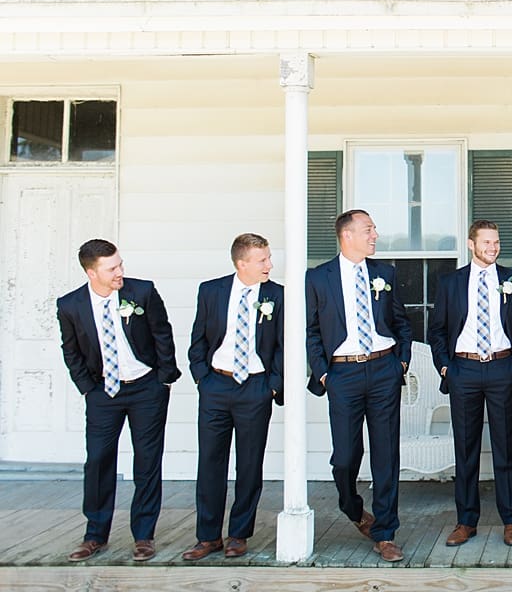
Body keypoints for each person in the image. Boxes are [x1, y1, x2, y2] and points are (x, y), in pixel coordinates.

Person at [57, 239, 180, 562]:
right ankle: (95, 534)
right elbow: (70, 351)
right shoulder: (70, 305)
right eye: (112, 268)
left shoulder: (142, 292)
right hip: (103, 392)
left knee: (147, 461)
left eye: (120, 264)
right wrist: (87, 388)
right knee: (98, 460)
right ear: (91, 272)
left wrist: (163, 379)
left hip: (146, 389)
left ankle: (143, 536)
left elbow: (162, 334)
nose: (120, 272)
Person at [306, 209, 412, 562]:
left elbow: (401, 320)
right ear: (347, 235)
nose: (375, 236)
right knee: (346, 456)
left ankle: (385, 532)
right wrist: (323, 373)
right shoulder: (318, 278)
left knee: (386, 454)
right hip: (343, 375)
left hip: (383, 368)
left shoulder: (385, 273)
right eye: (368, 230)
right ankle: (351, 505)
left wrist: (401, 361)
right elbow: (310, 332)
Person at [428, 219, 512, 548]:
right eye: (486, 242)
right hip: (464, 371)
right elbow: (437, 331)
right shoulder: (451, 283)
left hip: (503, 368)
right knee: (466, 449)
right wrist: (446, 368)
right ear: (472, 245)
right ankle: (466, 520)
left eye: (496, 242)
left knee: (506, 448)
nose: (493, 247)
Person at [182, 233, 284, 560]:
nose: (269, 264)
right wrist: (203, 378)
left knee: (249, 464)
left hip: (255, 387)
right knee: (210, 462)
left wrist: (272, 384)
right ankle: (207, 536)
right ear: (242, 263)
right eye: (262, 260)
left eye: (269, 258)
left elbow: (284, 346)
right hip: (216, 386)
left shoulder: (277, 295)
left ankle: (239, 534)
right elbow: (198, 339)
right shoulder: (211, 291)